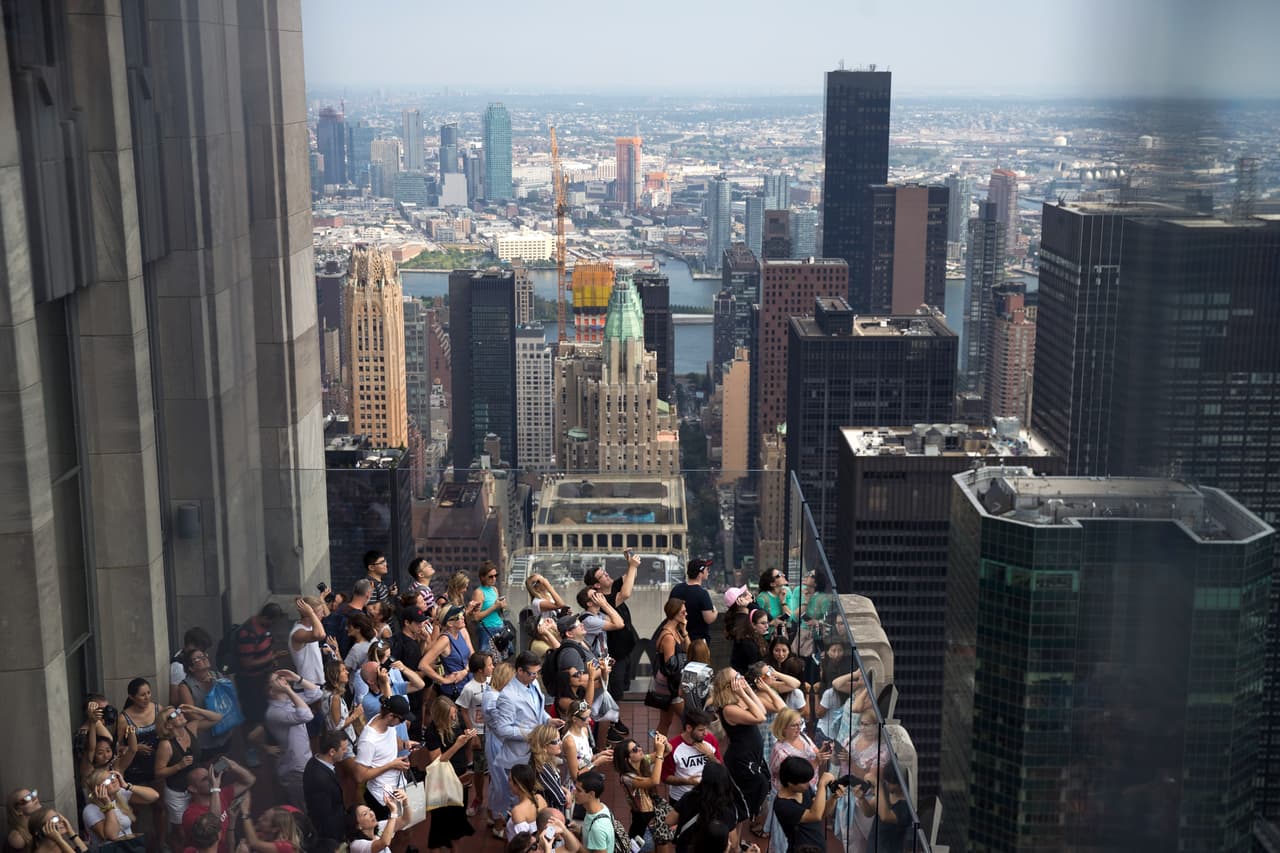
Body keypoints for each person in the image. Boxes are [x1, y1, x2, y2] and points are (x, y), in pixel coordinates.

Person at [489, 652, 558, 822]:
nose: (536, 676)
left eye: (537, 672)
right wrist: (534, 734)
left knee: (535, 795)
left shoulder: (532, 682)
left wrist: (548, 720)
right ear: (520, 671)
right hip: (518, 756)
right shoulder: (508, 696)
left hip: (535, 754)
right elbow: (503, 729)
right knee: (518, 800)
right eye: (532, 673)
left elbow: (537, 709)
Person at [708, 669, 769, 824]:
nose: (741, 678)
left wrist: (747, 690)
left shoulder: (739, 702)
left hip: (752, 754)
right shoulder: (729, 709)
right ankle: (733, 842)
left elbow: (762, 710)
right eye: (737, 677)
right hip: (741, 758)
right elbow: (760, 718)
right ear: (730, 685)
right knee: (742, 803)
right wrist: (743, 693)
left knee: (743, 808)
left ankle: (738, 842)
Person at [765, 709, 831, 851]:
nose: (798, 728)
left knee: (809, 829)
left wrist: (823, 752)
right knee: (789, 837)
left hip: (806, 790)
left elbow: (815, 754)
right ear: (783, 727)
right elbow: (795, 775)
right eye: (794, 725)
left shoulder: (804, 737)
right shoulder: (780, 752)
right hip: (792, 794)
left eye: (799, 724)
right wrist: (816, 765)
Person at [421, 696, 478, 851]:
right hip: (443, 782)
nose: (454, 717)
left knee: (457, 821)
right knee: (440, 824)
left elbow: (466, 748)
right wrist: (457, 744)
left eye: (454, 713)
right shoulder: (432, 733)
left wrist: (468, 739)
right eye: (450, 715)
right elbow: (436, 761)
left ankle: (454, 846)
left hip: (460, 777)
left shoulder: (457, 720)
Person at [583, 550, 641, 700]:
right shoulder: (603, 601)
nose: (607, 575)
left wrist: (630, 563)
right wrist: (633, 566)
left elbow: (631, 577)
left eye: (605, 572)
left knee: (622, 688)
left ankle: (615, 721)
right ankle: (612, 722)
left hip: (626, 650)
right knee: (615, 692)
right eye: (602, 576)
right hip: (615, 654)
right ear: (596, 584)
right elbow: (626, 593)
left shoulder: (613, 586)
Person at [153, 706, 222, 828]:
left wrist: (194, 710)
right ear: (168, 725)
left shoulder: (191, 727)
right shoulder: (166, 745)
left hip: (197, 788)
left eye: (178, 711)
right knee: (181, 828)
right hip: (178, 792)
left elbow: (217, 718)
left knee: (202, 822)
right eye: (174, 715)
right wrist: (178, 766)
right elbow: (158, 772)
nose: (179, 714)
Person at [264, 670, 324, 808]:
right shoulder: (273, 712)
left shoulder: (289, 700)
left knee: (314, 801)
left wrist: (297, 678)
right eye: (278, 680)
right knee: (304, 805)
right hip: (294, 768)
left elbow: (316, 693)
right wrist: (289, 690)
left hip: (304, 761)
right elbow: (306, 716)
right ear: (271, 691)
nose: (284, 680)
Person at [352, 695, 416, 819]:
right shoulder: (369, 740)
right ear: (391, 716)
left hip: (397, 789)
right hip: (381, 798)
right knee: (388, 835)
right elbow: (359, 776)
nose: (404, 723)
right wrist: (391, 765)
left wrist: (404, 745)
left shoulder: (388, 724)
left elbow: (392, 742)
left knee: (405, 825)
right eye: (402, 720)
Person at [666, 762, 746, 853]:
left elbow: (669, 821)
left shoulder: (689, 797)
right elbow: (734, 843)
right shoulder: (726, 810)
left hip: (686, 848)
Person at [180, 759, 255, 853]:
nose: (211, 779)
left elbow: (249, 781)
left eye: (210, 775)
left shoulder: (220, 795)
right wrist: (215, 787)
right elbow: (213, 822)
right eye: (205, 779)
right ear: (193, 789)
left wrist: (235, 766)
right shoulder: (190, 814)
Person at [614, 733, 673, 852]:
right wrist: (660, 754)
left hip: (657, 818)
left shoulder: (643, 760)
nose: (640, 749)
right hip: (643, 825)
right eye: (635, 749)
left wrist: (664, 742)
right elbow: (654, 781)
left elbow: (668, 750)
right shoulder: (626, 778)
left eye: (638, 746)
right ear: (627, 759)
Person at [233, 603, 287, 731]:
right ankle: (254, 745)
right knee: (255, 716)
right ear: (267, 618)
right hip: (251, 682)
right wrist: (270, 658)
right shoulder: (248, 633)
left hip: (264, 677)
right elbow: (247, 662)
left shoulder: (263, 629)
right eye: (273, 621)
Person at [174, 650, 236, 760]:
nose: (204, 658)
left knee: (224, 765)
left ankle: (220, 776)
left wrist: (219, 685)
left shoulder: (218, 676)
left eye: (204, 655)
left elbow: (230, 701)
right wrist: (216, 717)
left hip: (225, 734)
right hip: (205, 740)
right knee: (207, 769)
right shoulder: (185, 686)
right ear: (191, 668)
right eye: (197, 658)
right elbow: (192, 716)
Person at [455, 651, 494, 817]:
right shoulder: (469, 689)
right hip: (479, 732)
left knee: (494, 768)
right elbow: (463, 710)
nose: (493, 667)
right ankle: (478, 798)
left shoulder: (493, 682)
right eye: (490, 665)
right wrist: (473, 734)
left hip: (494, 731)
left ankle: (493, 799)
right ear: (479, 670)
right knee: (479, 769)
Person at [773, 758, 842, 853]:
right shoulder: (783, 805)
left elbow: (822, 813)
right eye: (804, 782)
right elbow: (815, 815)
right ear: (790, 783)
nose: (808, 784)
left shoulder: (803, 789)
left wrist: (833, 798)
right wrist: (821, 785)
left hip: (818, 846)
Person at [481, 661, 517, 839]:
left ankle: (492, 813)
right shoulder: (492, 698)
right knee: (501, 783)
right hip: (498, 743)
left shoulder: (494, 694)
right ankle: (498, 821)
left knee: (498, 781)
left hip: (499, 742)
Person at [81, 768, 159, 850]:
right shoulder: (90, 810)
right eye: (107, 781)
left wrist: (127, 786)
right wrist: (108, 804)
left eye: (112, 777)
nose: (114, 780)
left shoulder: (120, 794)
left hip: (129, 848)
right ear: (98, 790)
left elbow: (154, 796)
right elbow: (112, 836)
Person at [661, 709, 721, 805]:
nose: (705, 733)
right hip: (682, 799)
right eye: (701, 730)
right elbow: (665, 777)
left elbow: (721, 768)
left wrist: (710, 755)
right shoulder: (673, 747)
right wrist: (688, 781)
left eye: (706, 729)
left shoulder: (710, 740)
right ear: (689, 728)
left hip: (708, 795)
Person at [651, 599, 690, 738]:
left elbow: (688, 649)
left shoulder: (676, 630)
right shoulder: (668, 636)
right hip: (670, 685)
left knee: (665, 721)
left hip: (669, 682)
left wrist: (684, 632)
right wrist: (679, 689)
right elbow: (670, 665)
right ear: (674, 613)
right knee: (689, 719)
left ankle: (657, 753)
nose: (686, 614)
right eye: (683, 612)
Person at [303, 732, 348, 845]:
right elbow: (324, 816)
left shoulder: (315, 761)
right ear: (332, 752)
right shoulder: (320, 779)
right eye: (343, 749)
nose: (346, 752)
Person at [668, 559, 717, 663]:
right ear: (700, 573)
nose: (708, 571)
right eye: (707, 569)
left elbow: (670, 610)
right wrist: (715, 612)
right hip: (698, 643)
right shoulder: (702, 594)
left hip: (677, 639)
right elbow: (708, 618)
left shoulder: (677, 589)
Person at [561, 701, 613, 794]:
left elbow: (584, 758)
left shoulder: (584, 730)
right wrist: (595, 763)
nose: (590, 720)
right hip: (576, 789)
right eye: (585, 718)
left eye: (590, 716)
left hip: (587, 781)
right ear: (574, 719)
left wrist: (599, 755)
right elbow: (575, 776)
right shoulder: (570, 742)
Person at [320, 658, 362, 764]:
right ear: (335, 675)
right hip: (344, 745)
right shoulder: (335, 698)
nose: (347, 672)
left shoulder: (328, 693)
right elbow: (337, 726)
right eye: (343, 670)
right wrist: (355, 715)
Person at [861, 764, 910, 853]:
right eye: (886, 781)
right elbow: (868, 812)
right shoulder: (885, 793)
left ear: (900, 783)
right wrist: (861, 799)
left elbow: (885, 816)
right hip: (874, 846)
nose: (887, 784)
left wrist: (878, 786)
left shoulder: (906, 805)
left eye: (890, 782)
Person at [525, 723, 569, 815]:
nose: (560, 743)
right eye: (556, 741)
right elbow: (561, 800)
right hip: (550, 816)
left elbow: (553, 785)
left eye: (560, 739)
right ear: (544, 746)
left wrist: (565, 790)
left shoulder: (542, 761)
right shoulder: (543, 768)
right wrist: (568, 795)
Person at [236, 796, 305, 853]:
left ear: (275, 829)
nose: (259, 819)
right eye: (263, 815)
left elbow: (254, 843)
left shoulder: (286, 847)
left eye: (265, 819)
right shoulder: (262, 835)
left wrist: (245, 812)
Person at [323, 580, 372, 657]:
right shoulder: (360, 618)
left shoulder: (340, 609)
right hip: (347, 659)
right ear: (368, 594)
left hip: (330, 653)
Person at [288, 597, 328, 686]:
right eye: (321, 612)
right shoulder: (298, 632)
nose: (323, 615)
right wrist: (310, 613)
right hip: (307, 685)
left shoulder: (310, 628)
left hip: (316, 683)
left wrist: (321, 650)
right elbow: (321, 635)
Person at [470, 562, 508, 654]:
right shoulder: (479, 592)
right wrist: (494, 607)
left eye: (496, 576)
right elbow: (476, 617)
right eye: (490, 576)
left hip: (500, 627)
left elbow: (498, 611)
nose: (494, 579)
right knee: (488, 659)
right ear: (482, 577)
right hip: (487, 629)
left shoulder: (494, 589)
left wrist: (501, 606)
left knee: (501, 658)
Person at [574, 771, 616, 853]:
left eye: (579, 790)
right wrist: (580, 830)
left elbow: (596, 832)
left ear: (591, 794)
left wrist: (575, 844)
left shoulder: (597, 828)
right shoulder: (601, 807)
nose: (574, 792)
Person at [505, 764, 543, 840]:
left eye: (510, 780)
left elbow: (523, 843)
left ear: (518, 785)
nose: (508, 783)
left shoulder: (518, 811)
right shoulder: (540, 799)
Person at [730, 607, 769, 675]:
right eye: (763, 623)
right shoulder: (747, 643)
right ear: (753, 625)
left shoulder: (756, 637)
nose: (767, 626)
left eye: (767, 623)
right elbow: (754, 668)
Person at [756, 570, 791, 638]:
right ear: (772, 584)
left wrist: (783, 601)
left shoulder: (785, 592)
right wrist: (771, 623)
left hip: (781, 637)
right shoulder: (763, 598)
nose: (783, 575)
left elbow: (789, 618)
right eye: (779, 575)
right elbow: (756, 622)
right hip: (767, 638)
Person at [6, 788, 43, 853]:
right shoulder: (18, 838)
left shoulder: (36, 825)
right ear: (18, 811)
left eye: (33, 795)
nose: (34, 798)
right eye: (28, 798)